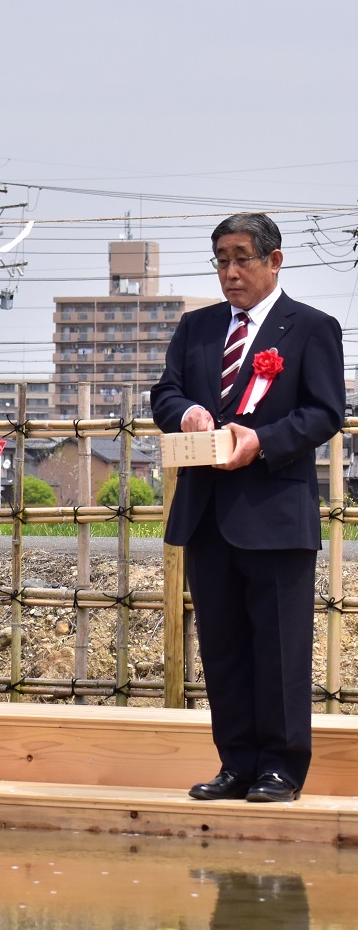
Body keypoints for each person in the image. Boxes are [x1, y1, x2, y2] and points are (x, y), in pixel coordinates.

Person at [151, 212, 343, 804]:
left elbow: (324, 412)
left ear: (274, 260)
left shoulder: (311, 328)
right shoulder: (198, 328)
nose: (230, 272)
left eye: (242, 259)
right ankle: (235, 763)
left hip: (276, 513)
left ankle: (280, 769)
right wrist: (186, 414)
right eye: (221, 260)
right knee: (225, 648)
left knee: (281, 650)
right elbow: (166, 392)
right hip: (208, 513)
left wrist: (262, 441)